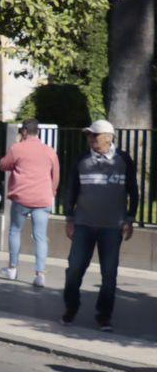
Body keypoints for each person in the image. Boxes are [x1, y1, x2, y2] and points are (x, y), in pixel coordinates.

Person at [61, 119, 141, 332]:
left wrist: (130, 219)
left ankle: (104, 316)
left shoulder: (124, 160)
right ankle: (71, 307)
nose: (90, 139)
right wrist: (69, 219)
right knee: (74, 269)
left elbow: (133, 191)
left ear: (108, 137)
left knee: (109, 274)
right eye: (88, 135)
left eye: (94, 135)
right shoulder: (82, 159)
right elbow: (71, 190)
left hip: (112, 227)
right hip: (84, 225)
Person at [0, 119, 60, 286]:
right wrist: (52, 192)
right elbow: (56, 175)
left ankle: (12, 268)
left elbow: (3, 165)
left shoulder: (17, 148)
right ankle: (40, 274)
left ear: (24, 131)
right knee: (40, 236)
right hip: (43, 198)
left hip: (21, 197)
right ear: (38, 132)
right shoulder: (49, 151)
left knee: (15, 231)